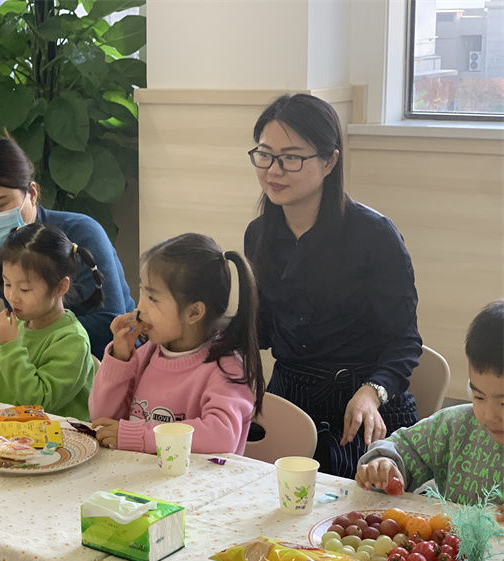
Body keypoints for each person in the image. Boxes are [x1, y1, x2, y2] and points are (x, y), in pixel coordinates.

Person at [244, 93, 421, 479]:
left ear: (330, 161)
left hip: (362, 403)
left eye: (291, 157)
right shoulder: (259, 235)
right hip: (291, 399)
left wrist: (372, 392)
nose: (274, 170)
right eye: (265, 154)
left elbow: (404, 343)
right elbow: (262, 331)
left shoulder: (374, 235)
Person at [0, 138, 135, 393]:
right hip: (21, 353)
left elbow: (109, 326)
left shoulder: (81, 233)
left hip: (89, 357)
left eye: (0, 205)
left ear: (31, 194)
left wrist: (28, 339)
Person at [89, 233, 263, 454]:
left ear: (194, 312)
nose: (140, 307)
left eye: (153, 298)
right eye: (142, 292)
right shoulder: (148, 353)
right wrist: (119, 358)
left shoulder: (224, 367)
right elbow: (102, 419)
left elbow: (222, 435)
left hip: (197, 486)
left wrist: (140, 436)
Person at [355, 300, 504, 521]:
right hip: (449, 552)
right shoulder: (455, 426)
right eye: (479, 396)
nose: (489, 415)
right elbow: (403, 447)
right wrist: (384, 465)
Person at [0, 223, 99, 419]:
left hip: (58, 438)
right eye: (7, 283)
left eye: (25, 289)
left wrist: (11, 346)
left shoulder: (71, 340)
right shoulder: (15, 325)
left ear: (60, 287)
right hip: (12, 432)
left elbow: (38, 404)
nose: (12, 296)